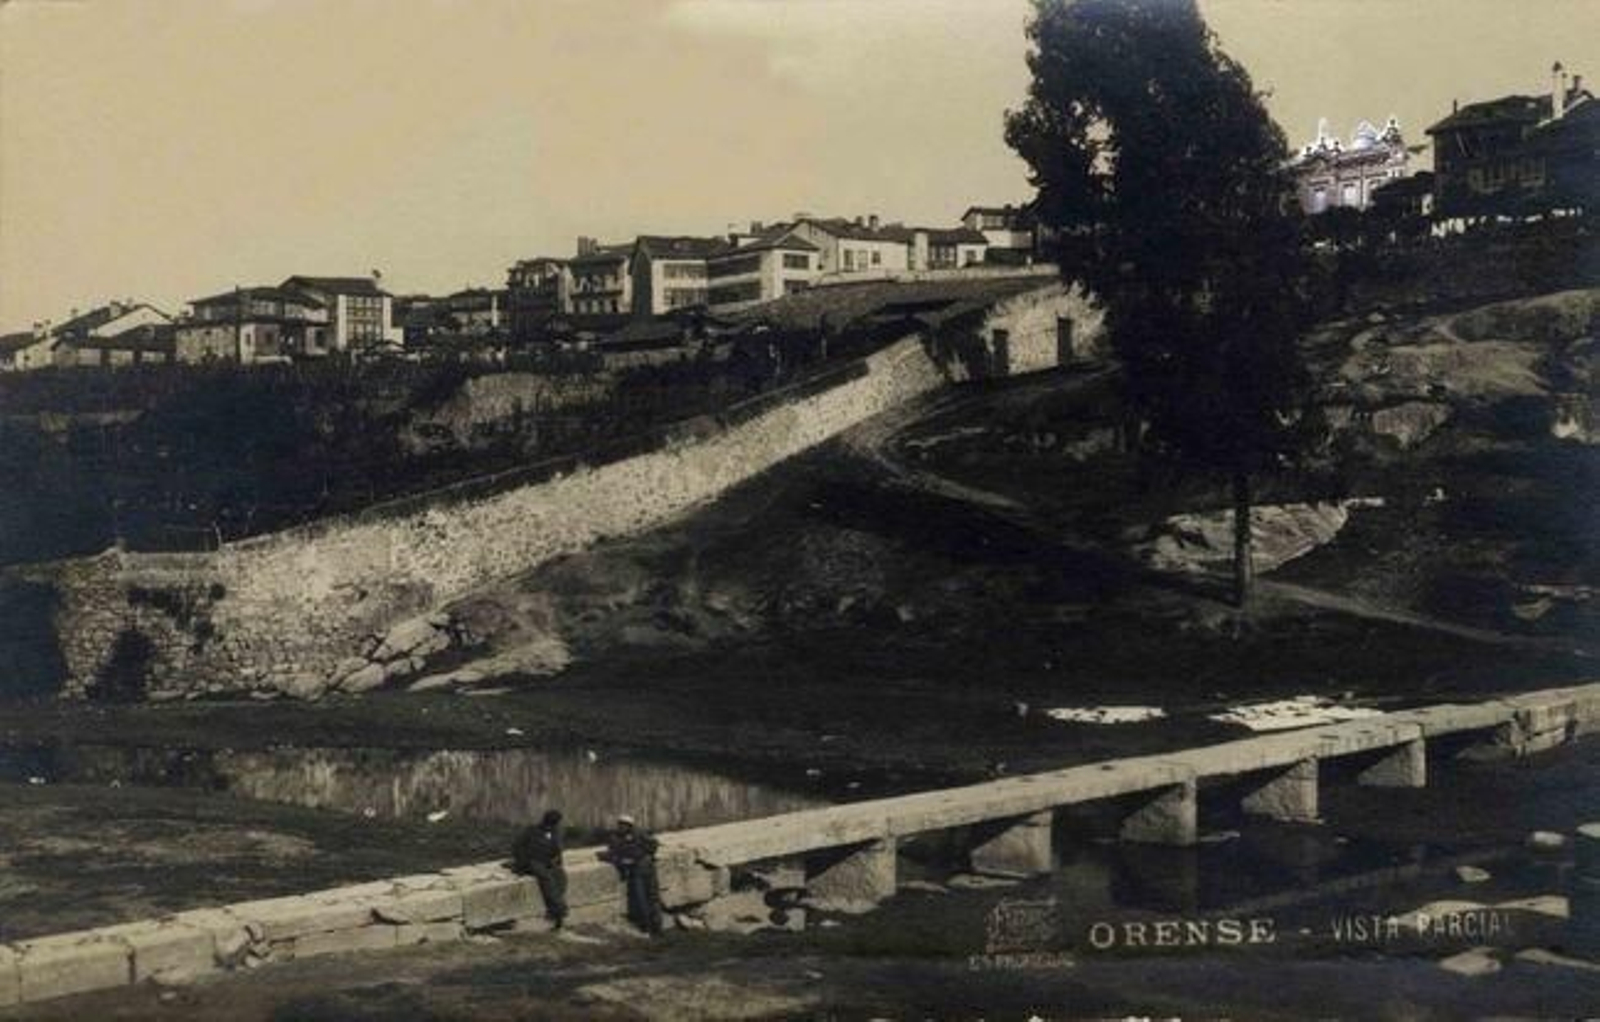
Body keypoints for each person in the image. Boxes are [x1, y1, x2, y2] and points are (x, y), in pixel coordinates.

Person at [598, 814, 663, 935]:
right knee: (641, 899)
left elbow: (654, 844)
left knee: (652, 897)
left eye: (624, 824)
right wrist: (621, 860)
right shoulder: (615, 838)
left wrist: (648, 855)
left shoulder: (639, 833)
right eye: (620, 824)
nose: (621, 826)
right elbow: (612, 854)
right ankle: (647, 927)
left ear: (629, 826)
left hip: (645, 867)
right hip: (636, 869)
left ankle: (657, 927)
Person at [511, 809, 567, 930]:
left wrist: (557, 861)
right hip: (531, 862)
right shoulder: (532, 830)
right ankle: (558, 911)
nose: (555, 826)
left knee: (560, 876)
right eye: (555, 823)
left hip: (546, 862)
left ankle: (556, 911)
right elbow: (517, 847)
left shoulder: (554, 833)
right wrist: (522, 863)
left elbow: (557, 851)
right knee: (545, 878)